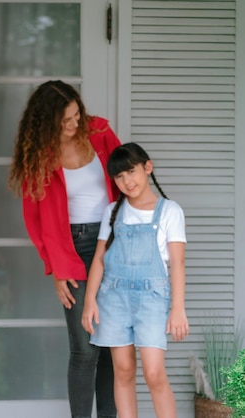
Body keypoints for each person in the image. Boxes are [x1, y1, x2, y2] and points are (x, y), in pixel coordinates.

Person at [9, 80, 120, 418]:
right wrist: (56, 269)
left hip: (113, 242)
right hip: (70, 249)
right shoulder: (38, 156)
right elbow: (35, 222)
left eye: (76, 115)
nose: (74, 125)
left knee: (111, 347)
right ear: (46, 123)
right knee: (85, 350)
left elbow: (126, 177)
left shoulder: (99, 132)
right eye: (65, 122)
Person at [81, 142, 189, 418]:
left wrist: (178, 309)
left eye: (131, 171)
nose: (127, 181)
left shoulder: (170, 211)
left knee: (154, 374)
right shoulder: (112, 212)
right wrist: (90, 300)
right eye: (119, 176)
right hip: (113, 298)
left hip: (152, 300)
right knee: (124, 371)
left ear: (147, 167)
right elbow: (99, 260)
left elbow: (177, 263)